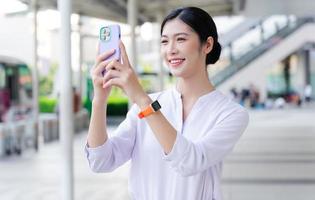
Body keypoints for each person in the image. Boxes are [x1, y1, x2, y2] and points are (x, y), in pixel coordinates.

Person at [85, 7, 249, 200]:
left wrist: (142, 98)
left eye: (181, 39)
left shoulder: (231, 113)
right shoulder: (144, 107)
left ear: (207, 45)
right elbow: (101, 161)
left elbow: (190, 162)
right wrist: (100, 99)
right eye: (164, 41)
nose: (170, 49)